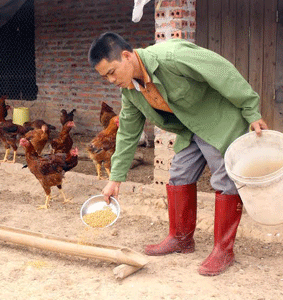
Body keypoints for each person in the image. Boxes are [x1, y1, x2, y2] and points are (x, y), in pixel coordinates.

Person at [88, 32, 268, 276]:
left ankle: (223, 251)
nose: (110, 80)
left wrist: (251, 111)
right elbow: (128, 132)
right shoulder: (130, 90)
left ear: (127, 56)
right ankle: (181, 239)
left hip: (218, 122)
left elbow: (223, 72)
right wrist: (115, 179)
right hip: (190, 128)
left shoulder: (172, 57)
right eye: (104, 77)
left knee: (224, 181)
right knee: (179, 175)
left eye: (111, 72)